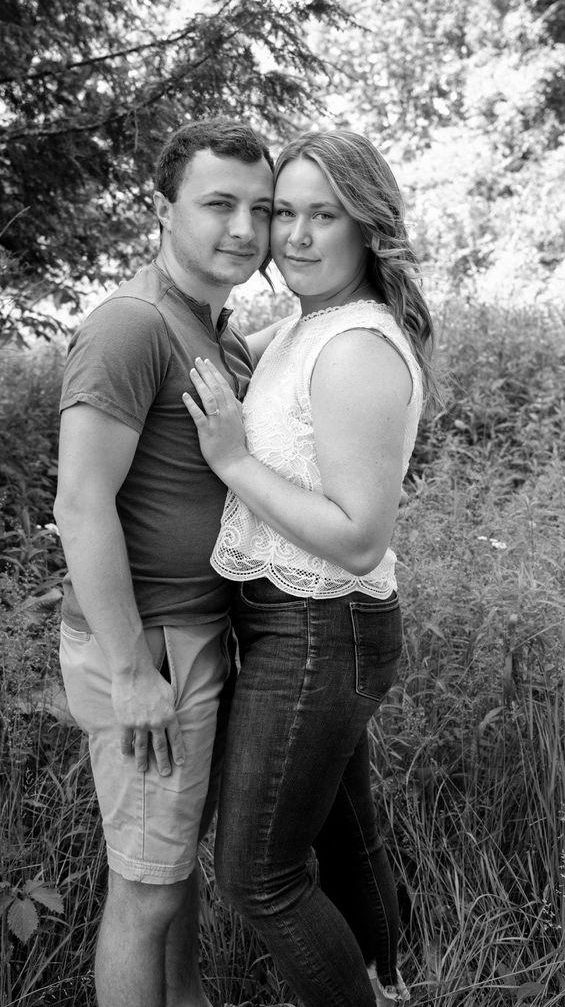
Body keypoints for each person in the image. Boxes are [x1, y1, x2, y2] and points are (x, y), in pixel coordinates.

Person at [182, 129, 437, 1007]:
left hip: (320, 624)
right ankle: (390, 983)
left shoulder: (356, 347)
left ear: (366, 225)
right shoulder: (304, 325)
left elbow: (360, 537)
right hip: (298, 619)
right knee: (347, 831)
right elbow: (203, 331)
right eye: (281, 212)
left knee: (259, 877)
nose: (292, 236)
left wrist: (232, 462)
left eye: (321, 215)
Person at [53, 118, 275, 1007]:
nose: (244, 229)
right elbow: (80, 504)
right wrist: (130, 671)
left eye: (261, 208)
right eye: (219, 204)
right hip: (148, 648)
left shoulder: (218, 335)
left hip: (196, 636)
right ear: (163, 210)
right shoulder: (130, 326)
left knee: (174, 872)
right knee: (145, 892)